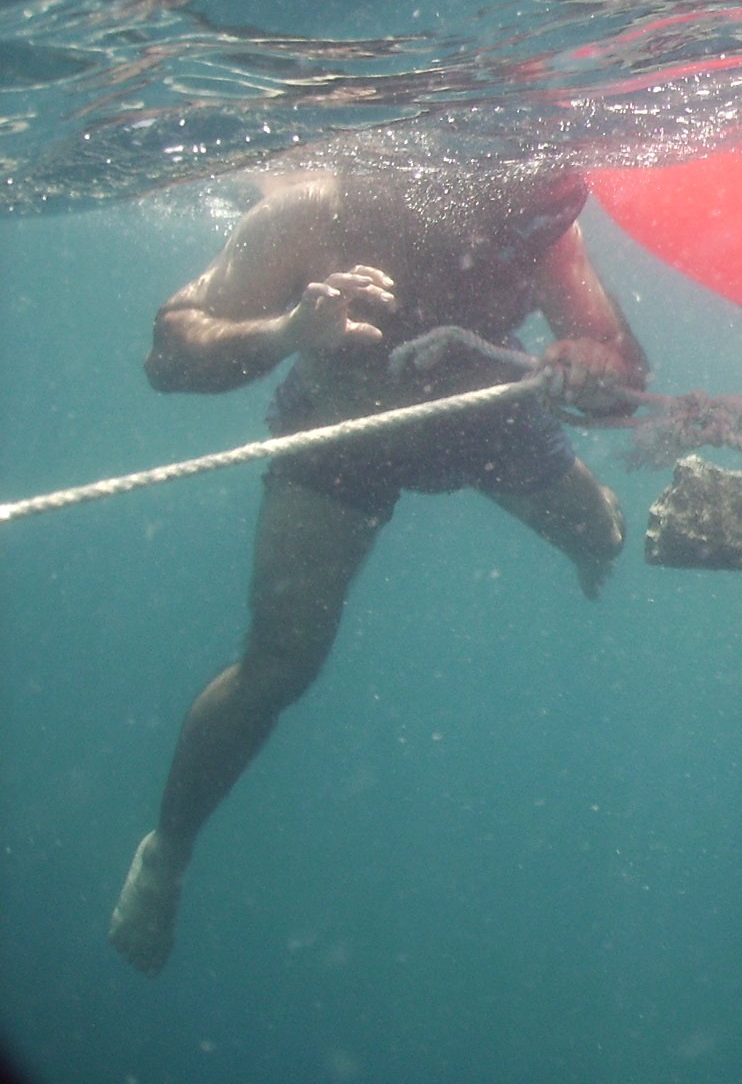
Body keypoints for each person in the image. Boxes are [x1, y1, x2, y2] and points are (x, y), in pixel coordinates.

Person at [108, 167, 649, 975]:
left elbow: (624, 372)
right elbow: (169, 354)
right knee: (281, 663)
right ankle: (167, 853)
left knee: (604, 534)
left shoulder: (540, 225)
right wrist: (283, 335)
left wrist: (591, 367)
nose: (508, 238)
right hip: (340, 436)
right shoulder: (311, 213)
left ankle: (589, 555)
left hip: (486, 423)